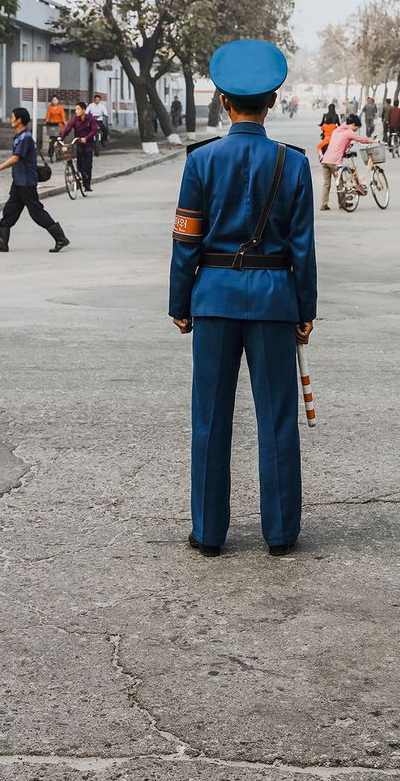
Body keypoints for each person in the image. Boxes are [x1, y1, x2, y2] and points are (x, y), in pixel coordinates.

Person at [168, 38, 316, 558]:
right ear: (272, 101)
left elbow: (186, 237)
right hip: (275, 302)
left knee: (209, 418)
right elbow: (303, 248)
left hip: (213, 300)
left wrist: (180, 304)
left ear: (224, 102)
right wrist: (306, 311)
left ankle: (209, 533)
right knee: (277, 417)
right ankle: (280, 533)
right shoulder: (294, 165)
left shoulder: (201, 162)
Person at [0, 108, 69, 254]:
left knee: (37, 213)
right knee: (9, 211)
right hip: (18, 182)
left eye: (12, 118)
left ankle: (60, 238)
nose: (11, 120)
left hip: (27, 183)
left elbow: (16, 158)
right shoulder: (19, 136)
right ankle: (2, 243)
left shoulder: (25, 137)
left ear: (19, 121)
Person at [320, 113, 376, 199]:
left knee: (326, 184)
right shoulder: (349, 132)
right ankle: (343, 203)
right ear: (353, 124)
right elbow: (362, 139)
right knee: (340, 183)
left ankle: (324, 205)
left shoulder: (337, 130)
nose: (355, 131)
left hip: (325, 159)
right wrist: (372, 141)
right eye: (356, 128)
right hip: (334, 161)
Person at [59, 102, 99, 191]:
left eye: (78, 109)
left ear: (83, 110)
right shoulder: (74, 119)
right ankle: (81, 173)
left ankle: (87, 184)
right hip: (78, 142)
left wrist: (87, 138)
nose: (76, 111)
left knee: (88, 165)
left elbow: (94, 130)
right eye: (76, 109)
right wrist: (60, 138)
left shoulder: (90, 119)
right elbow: (67, 129)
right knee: (79, 158)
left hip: (88, 144)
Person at [44, 95, 66, 162]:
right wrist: (46, 121)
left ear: (58, 101)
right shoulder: (50, 108)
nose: (54, 101)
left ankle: (58, 155)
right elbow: (47, 116)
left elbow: (63, 116)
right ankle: (50, 154)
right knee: (52, 140)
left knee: (59, 140)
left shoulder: (60, 108)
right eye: (53, 100)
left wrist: (64, 121)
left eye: (55, 100)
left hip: (59, 125)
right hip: (52, 126)